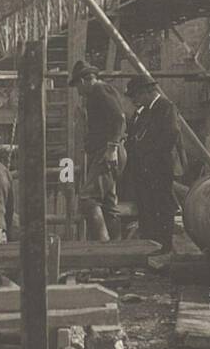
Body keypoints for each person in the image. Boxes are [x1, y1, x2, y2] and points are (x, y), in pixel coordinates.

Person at [69, 59, 126, 242]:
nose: (77, 91)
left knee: (87, 199)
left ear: (84, 80)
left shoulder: (100, 90)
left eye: (77, 85)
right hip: (105, 151)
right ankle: (116, 252)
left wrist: (111, 148)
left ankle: (103, 246)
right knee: (108, 203)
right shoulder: (98, 93)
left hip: (106, 152)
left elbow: (119, 118)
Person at [125, 73, 179, 253]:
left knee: (162, 205)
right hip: (145, 168)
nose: (135, 100)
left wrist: (151, 157)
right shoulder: (145, 112)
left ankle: (164, 246)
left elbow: (171, 134)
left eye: (137, 95)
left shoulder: (165, 107)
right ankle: (151, 245)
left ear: (147, 92)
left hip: (159, 167)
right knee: (147, 206)